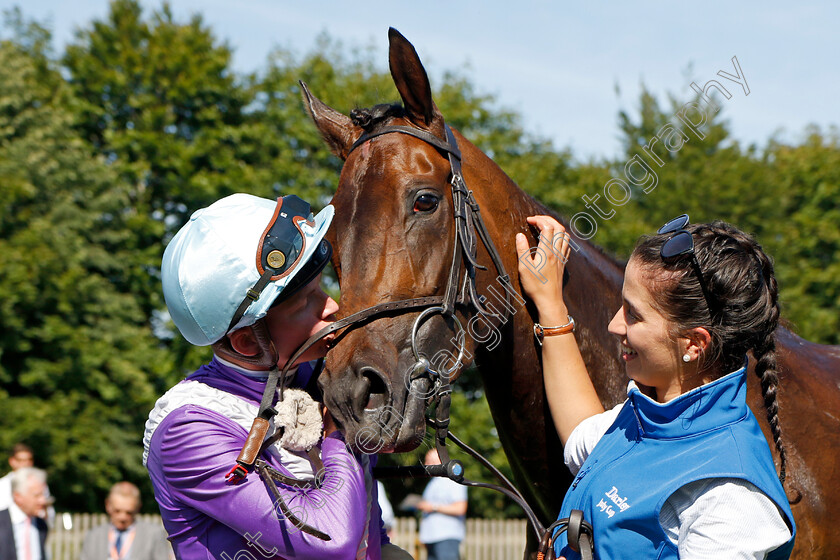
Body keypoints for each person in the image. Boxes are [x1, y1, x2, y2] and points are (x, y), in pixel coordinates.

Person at [144, 193, 410, 560]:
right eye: (305, 302)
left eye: (322, 288)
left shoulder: (321, 372)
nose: (331, 306)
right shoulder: (186, 429)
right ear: (247, 342)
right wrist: (338, 433)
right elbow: (328, 541)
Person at [516, 214, 796, 559]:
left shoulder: (730, 495)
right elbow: (582, 433)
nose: (614, 325)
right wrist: (550, 304)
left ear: (694, 344)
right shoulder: (652, 419)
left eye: (634, 314)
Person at [79, 481, 172, 560]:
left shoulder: (154, 534)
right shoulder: (93, 536)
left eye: (129, 512)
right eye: (117, 511)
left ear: (138, 508)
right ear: (108, 505)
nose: (122, 518)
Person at [417, 449, 467, 560]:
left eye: (429, 461)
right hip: (432, 538)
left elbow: (460, 508)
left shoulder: (452, 480)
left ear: (440, 460)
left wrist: (433, 507)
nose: (426, 464)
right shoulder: (432, 483)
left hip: (446, 537)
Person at [0, 467, 49, 560]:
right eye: (37, 495)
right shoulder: (1, 522)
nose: (43, 501)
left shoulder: (41, 525)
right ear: (18, 496)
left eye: (43, 495)